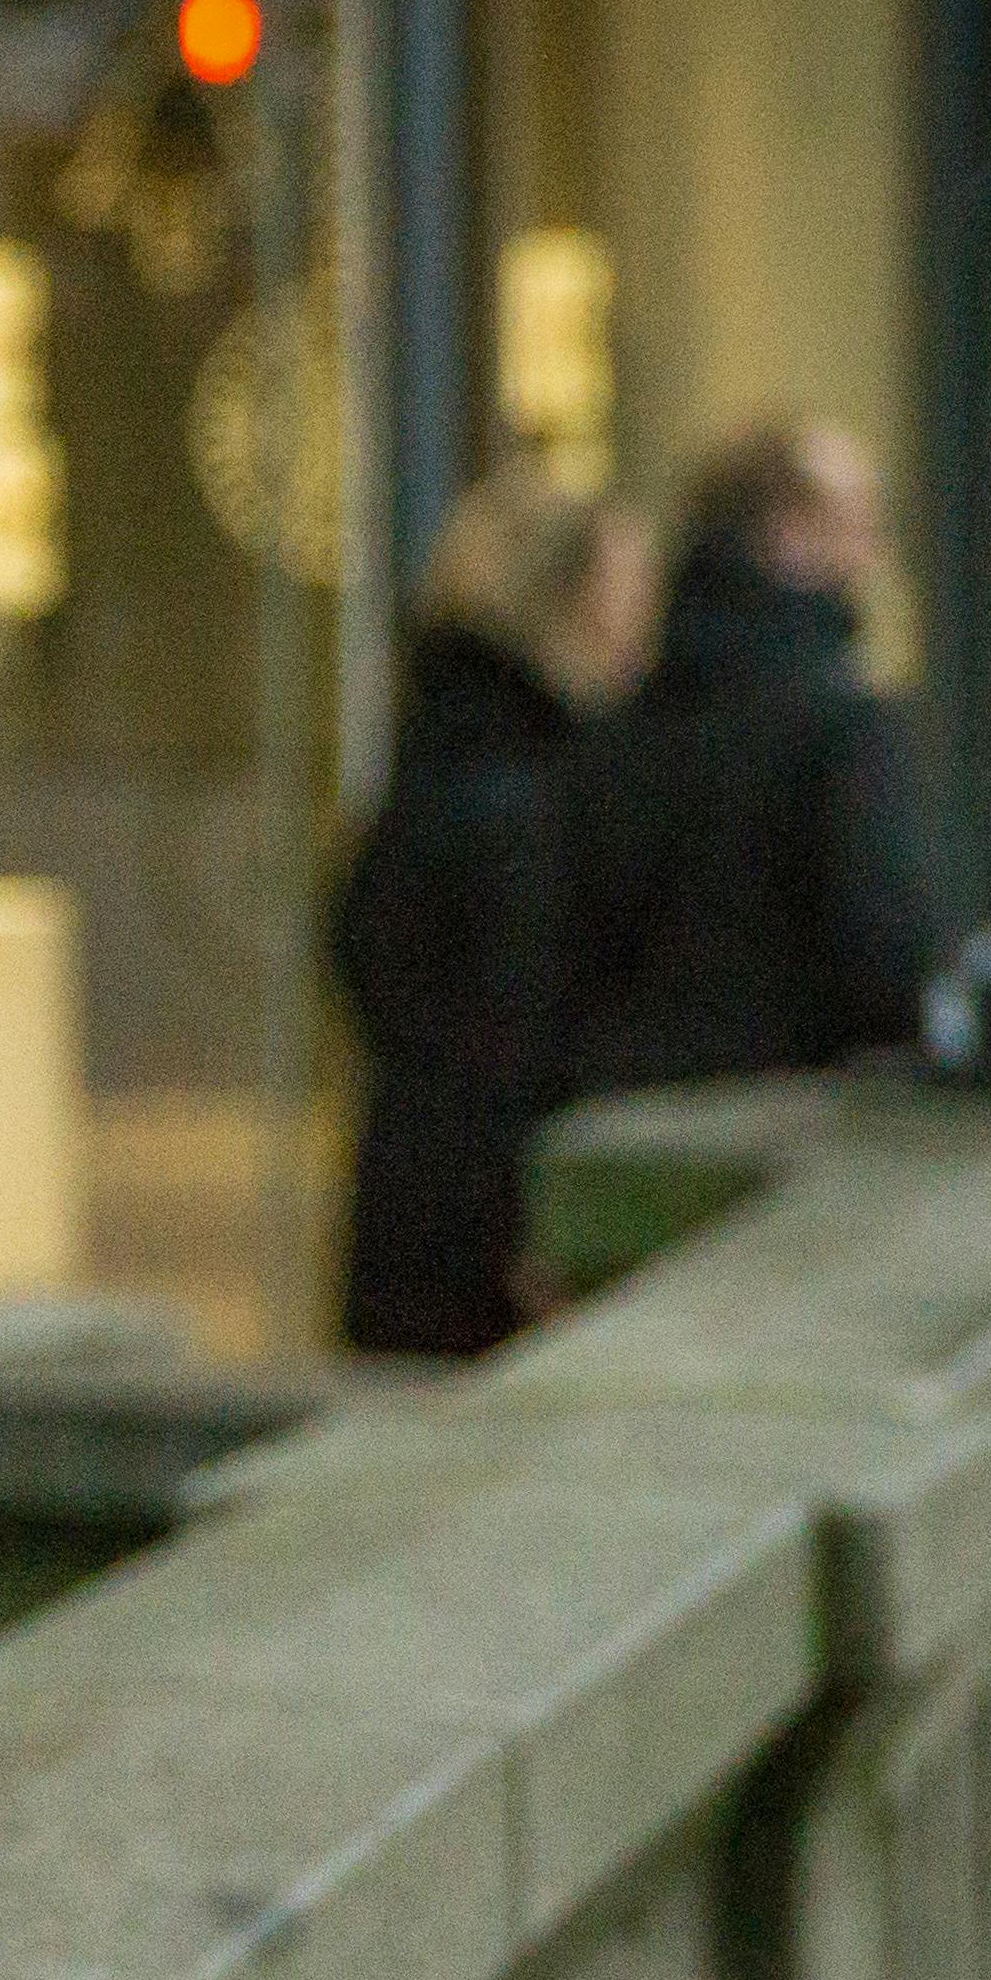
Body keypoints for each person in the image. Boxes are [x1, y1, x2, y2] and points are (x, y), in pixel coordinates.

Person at [330, 463, 657, 1358]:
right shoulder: (536, 795)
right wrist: (537, 1226)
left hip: (405, 1210)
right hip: (497, 1241)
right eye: (626, 592)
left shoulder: (425, 767)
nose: (642, 625)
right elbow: (524, 1035)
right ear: (571, 604)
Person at [555, 418, 945, 1099]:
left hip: (618, 1122)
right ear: (788, 533)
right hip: (788, 1125)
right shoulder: (837, 723)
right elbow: (882, 955)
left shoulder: (620, 719)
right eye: (853, 521)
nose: (872, 551)